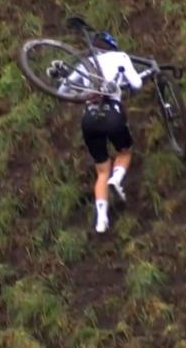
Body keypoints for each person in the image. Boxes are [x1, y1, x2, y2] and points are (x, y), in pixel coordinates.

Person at [50, 31, 143, 233]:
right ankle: (116, 180)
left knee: (101, 170)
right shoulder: (121, 57)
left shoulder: (85, 64)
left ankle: (101, 220)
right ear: (112, 45)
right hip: (113, 114)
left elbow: (61, 92)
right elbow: (137, 84)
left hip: (89, 120)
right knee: (125, 151)